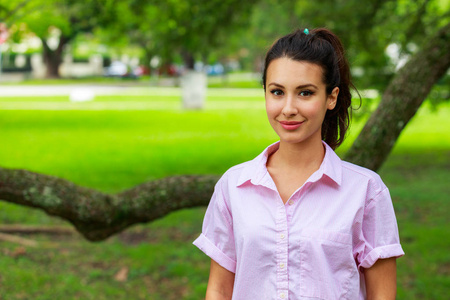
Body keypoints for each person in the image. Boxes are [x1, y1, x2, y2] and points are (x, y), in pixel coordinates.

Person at [193, 28, 404, 299]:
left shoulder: (366, 191)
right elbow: (219, 290)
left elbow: (382, 295)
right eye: (277, 92)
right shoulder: (233, 187)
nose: (288, 108)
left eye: (305, 93)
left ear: (331, 97)